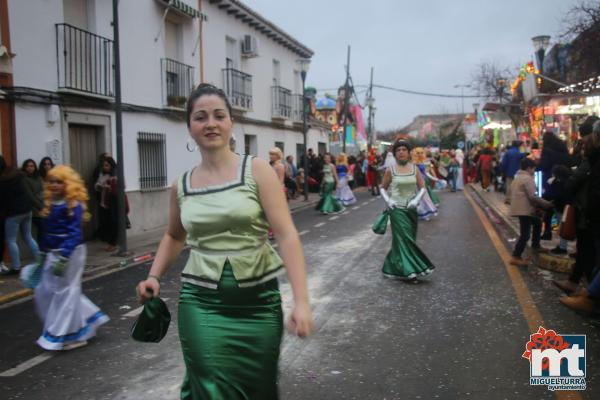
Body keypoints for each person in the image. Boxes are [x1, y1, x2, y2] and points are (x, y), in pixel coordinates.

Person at [135, 83, 313, 399]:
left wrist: (301, 301)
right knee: (212, 387)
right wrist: (153, 276)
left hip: (259, 304)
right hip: (201, 304)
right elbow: (174, 236)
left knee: (258, 390)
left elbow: (286, 235)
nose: (211, 123)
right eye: (200, 117)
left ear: (231, 122)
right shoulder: (181, 185)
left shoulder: (257, 170)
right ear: (189, 127)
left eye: (219, 115)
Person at [35, 165, 109, 350]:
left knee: (65, 292)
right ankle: (87, 320)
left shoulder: (73, 205)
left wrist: (64, 257)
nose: (54, 185)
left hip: (71, 252)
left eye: (59, 181)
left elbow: (74, 233)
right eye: (51, 181)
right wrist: (43, 253)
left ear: (68, 184)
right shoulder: (50, 203)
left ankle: (70, 335)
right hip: (54, 252)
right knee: (50, 290)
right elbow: (46, 232)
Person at [378, 140, 435, 281]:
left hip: (412, 210)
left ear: (409, 153)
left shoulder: (414, 169)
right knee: (404, 239)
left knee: (407, 239)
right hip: (397, 209)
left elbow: (422, 188)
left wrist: (416, 200)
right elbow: (382, 188)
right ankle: (410, 272)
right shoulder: (390, 170)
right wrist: (388, 200)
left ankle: (392, 266)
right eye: (398, 150)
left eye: (404, 149)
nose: (401, 152)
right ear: (395, 154)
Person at [508, 158, 553, 266]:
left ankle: (536, 246)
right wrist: (546, 204)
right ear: (529, 168)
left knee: (537, 223)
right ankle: (515, 256)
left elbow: (509, 193)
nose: (534, 171)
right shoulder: (527, 179)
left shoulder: (517, 177)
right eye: (534, 169)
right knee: (525, 235)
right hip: (525, 210)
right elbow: (533, 196)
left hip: (521, 209)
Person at [0, 157, 40, 275]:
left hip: (13, 213)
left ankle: (16, 267)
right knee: (28, 236)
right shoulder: (18, 175)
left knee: (11, 240)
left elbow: (2, 201)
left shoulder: (2, 181)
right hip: (27, 210)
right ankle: (39, 262)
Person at [538, 131, 570, 240]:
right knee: (560, 208)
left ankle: (548, 232)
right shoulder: (563, 148)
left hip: (550, 181)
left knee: (548, 207)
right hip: (563, 181)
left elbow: (543, 165)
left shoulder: (547, 150)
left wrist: (536, 165)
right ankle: (561, 234)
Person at [94, 156, 118, 252]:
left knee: (113, 222)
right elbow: (96, 186)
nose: (105, 167)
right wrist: (101, 186)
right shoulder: (102, 175)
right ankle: (109, 242)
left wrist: (110, 187)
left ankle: (113, 243)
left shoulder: (116, 175)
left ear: (111, 166)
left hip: (114, 202)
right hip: (104, 202)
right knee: (106, 222)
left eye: (107, 165)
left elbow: (122, 187)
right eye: (104, 166)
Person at [21, 159, 45, 242]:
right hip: (33, 209)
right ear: (24, 167)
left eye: (32, 166)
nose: (30, 168)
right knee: (42, 229)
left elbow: (44, 191)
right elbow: (30, 196)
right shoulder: (24, 179)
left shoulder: (39, 178)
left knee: (45, 230)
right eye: (27, 166)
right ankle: (41, 251)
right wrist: (41, 207)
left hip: (43, 206)